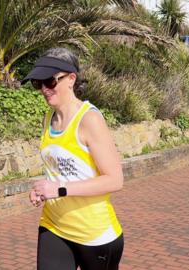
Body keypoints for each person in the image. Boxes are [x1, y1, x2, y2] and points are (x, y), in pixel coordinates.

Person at [22, 48, 124, 270]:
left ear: (71, 79)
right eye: (38, 84)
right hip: (54, 225)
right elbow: (59, 168)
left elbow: (115, 180)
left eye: (50, 81)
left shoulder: (90, 119)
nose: (44, 90)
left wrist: (59, 189)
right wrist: (43, 188)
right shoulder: (48, 118)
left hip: (94, 235)